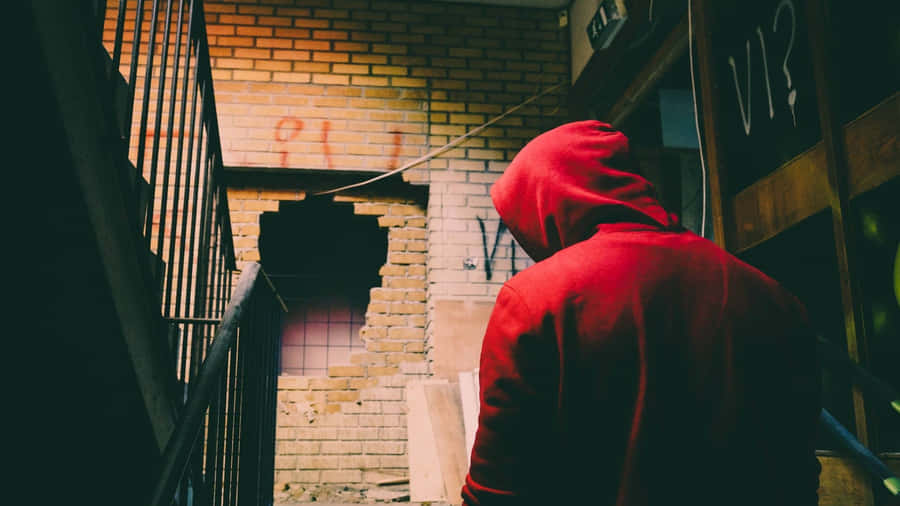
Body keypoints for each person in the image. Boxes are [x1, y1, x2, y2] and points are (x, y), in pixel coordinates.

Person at [461, 121, 820, 505]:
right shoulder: (775, 300)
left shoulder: (534, 303)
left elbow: (495, 493)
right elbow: (797, 474)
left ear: (545, 207)